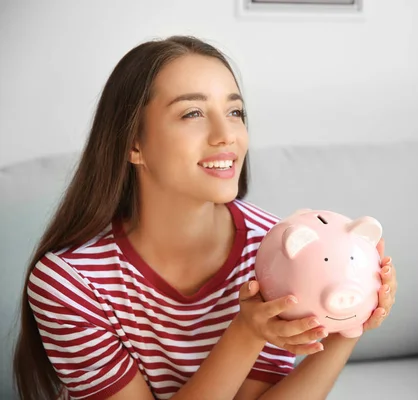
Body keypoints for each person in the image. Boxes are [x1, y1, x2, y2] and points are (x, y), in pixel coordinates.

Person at [12, 35, 397, 400]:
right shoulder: (68, 283)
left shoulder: (273, 249)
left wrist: (352, 322)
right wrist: (246, 332)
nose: (226, 134)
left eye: (235, 111)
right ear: (133, 143)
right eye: (193, 113)